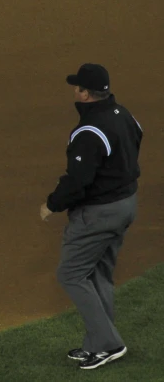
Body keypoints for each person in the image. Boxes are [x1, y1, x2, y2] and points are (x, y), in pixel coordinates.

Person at [40, 63, 143, 370]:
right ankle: (98, 344)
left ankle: (110, 344)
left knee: (71, 274)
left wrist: (52, 204)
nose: (74, 90)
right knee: (98, 273)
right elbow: (136, 140)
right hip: (126, 203)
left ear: (85, 93)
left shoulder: (89, 131)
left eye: (77, 87)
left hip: (99, 213)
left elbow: (77, 181)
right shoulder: (124, 115)